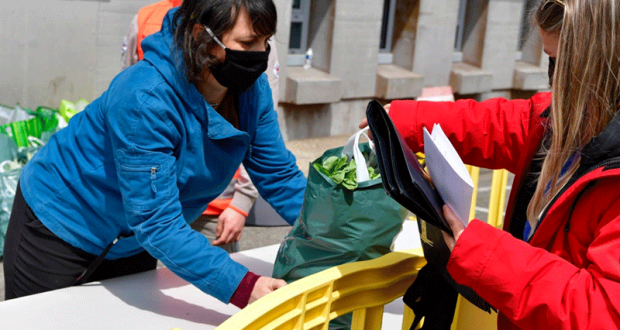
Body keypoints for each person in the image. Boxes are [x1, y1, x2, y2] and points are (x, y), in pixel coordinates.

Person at [3, 0, 306, 309]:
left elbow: (279, 175)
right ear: (203, 35)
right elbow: (158, 222)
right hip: (62, 223)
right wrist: (245, 288)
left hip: (133, 238)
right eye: (247, 42)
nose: (260, 55)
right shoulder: (145, 97)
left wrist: (335, 231)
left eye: (265, 41)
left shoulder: (252, 92)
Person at [361, 0, 620, 328]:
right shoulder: (572, 119)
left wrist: (482, 253)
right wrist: (403, 120)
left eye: (557, 62)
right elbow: (495, 124)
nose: (553, 81)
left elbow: (601, 312)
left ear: (600, 67)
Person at [120, 0, 281, 253]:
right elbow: (132, 100)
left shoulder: (247, 17)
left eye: (264, 42)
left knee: (213, 276)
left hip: (217, 200)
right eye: (249, 43)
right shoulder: (145, 18)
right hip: (151, 194)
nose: (261, 49)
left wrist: (241, 202)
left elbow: (262, 136)